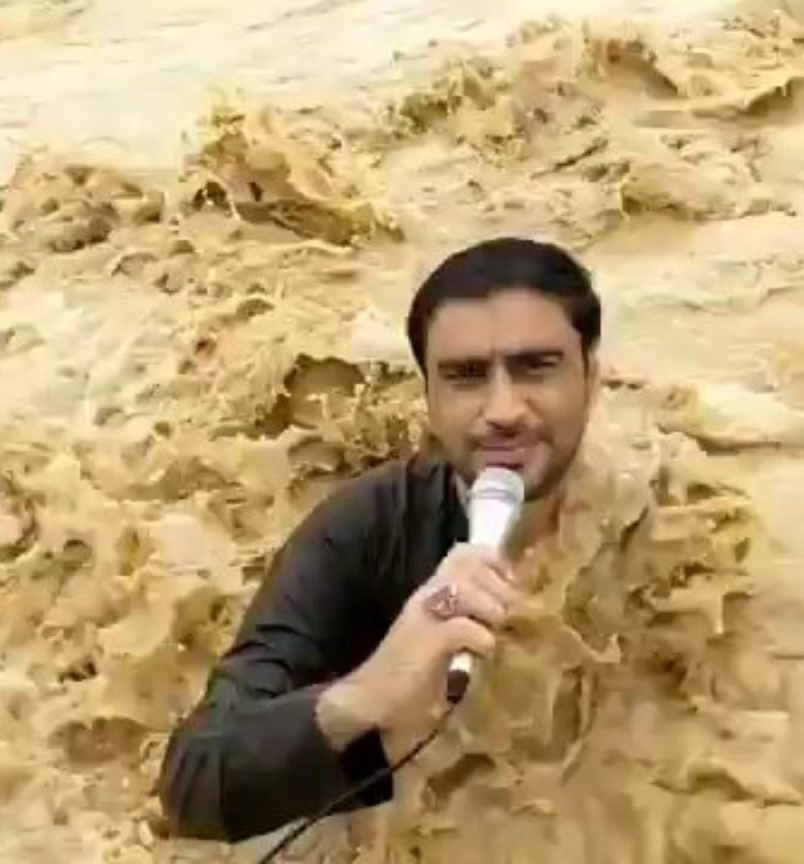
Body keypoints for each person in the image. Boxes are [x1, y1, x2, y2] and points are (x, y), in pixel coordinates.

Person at [156, 236, 603, 843]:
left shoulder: (677, 527)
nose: (503, 409)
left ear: (592, 376)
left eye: (535, 367)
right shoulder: (369, 527)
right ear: (429, 399)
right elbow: (195, 782)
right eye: (466, 377)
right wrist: (371, 692)